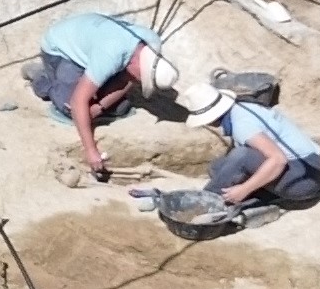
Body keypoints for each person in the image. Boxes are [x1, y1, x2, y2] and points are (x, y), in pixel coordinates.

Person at [23, 11, 221, 183]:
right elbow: (78, 101)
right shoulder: (110, 55)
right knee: (70, 108)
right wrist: (91, 151)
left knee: (119, 108)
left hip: (94, 45)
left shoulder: (150, 45)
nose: (138, 81)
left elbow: (127, 81)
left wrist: (98, 107)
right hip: (61, 49)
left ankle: (86, 88)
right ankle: (41, 79)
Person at [154, 93, 320, 232]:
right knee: (218, 168)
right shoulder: (242, 108)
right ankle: (261, 197)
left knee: (241, 156)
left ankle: (205, 206)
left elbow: (278, 160)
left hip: (304, 179)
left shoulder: (242, 125)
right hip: (309, 167)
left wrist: (244, 189)